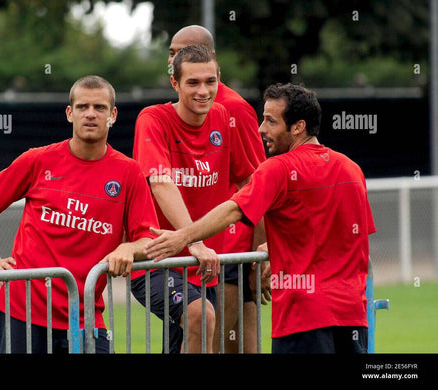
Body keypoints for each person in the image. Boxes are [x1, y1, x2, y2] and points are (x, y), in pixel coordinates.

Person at [144, 83, 376, 354]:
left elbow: (234, 210)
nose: (261, 129)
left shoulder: (278, 168)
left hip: (302, 317)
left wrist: (184, 236)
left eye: (270, 121)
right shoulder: (351, 169)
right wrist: (273, 247)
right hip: (352, 315)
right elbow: (341, 235)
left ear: (298, 127)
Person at [0, 75, 159, 353]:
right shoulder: (38, 160)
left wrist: (129, 248)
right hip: (22, 313)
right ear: (70, 113)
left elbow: (148, 238)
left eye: (100, 107)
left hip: (84, 319)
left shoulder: (129, 172)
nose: (91, 114)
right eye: (82, 107)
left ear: (113, 115)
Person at [130, 44, 255, 353]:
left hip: (203, 271)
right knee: (201, 315)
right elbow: (161, 183)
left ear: (219, 79)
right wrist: (194, 240)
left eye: (210, 81)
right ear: (175, 83)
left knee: (197, 335)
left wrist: (265, 242)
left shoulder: (225, 117)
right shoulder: (153, 119)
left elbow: (250, 184)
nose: (203, 91)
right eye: (193, 83)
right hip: (157, 260)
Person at [168, 25, 267, 353]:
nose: (173, 60)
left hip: (228, 253)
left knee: (214, 342)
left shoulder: (233, 109)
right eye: (171, 54)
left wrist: (257, 253)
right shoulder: (181, 107)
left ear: (207, 58)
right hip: (199, 252)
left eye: (180, 53)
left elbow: (258, 182)